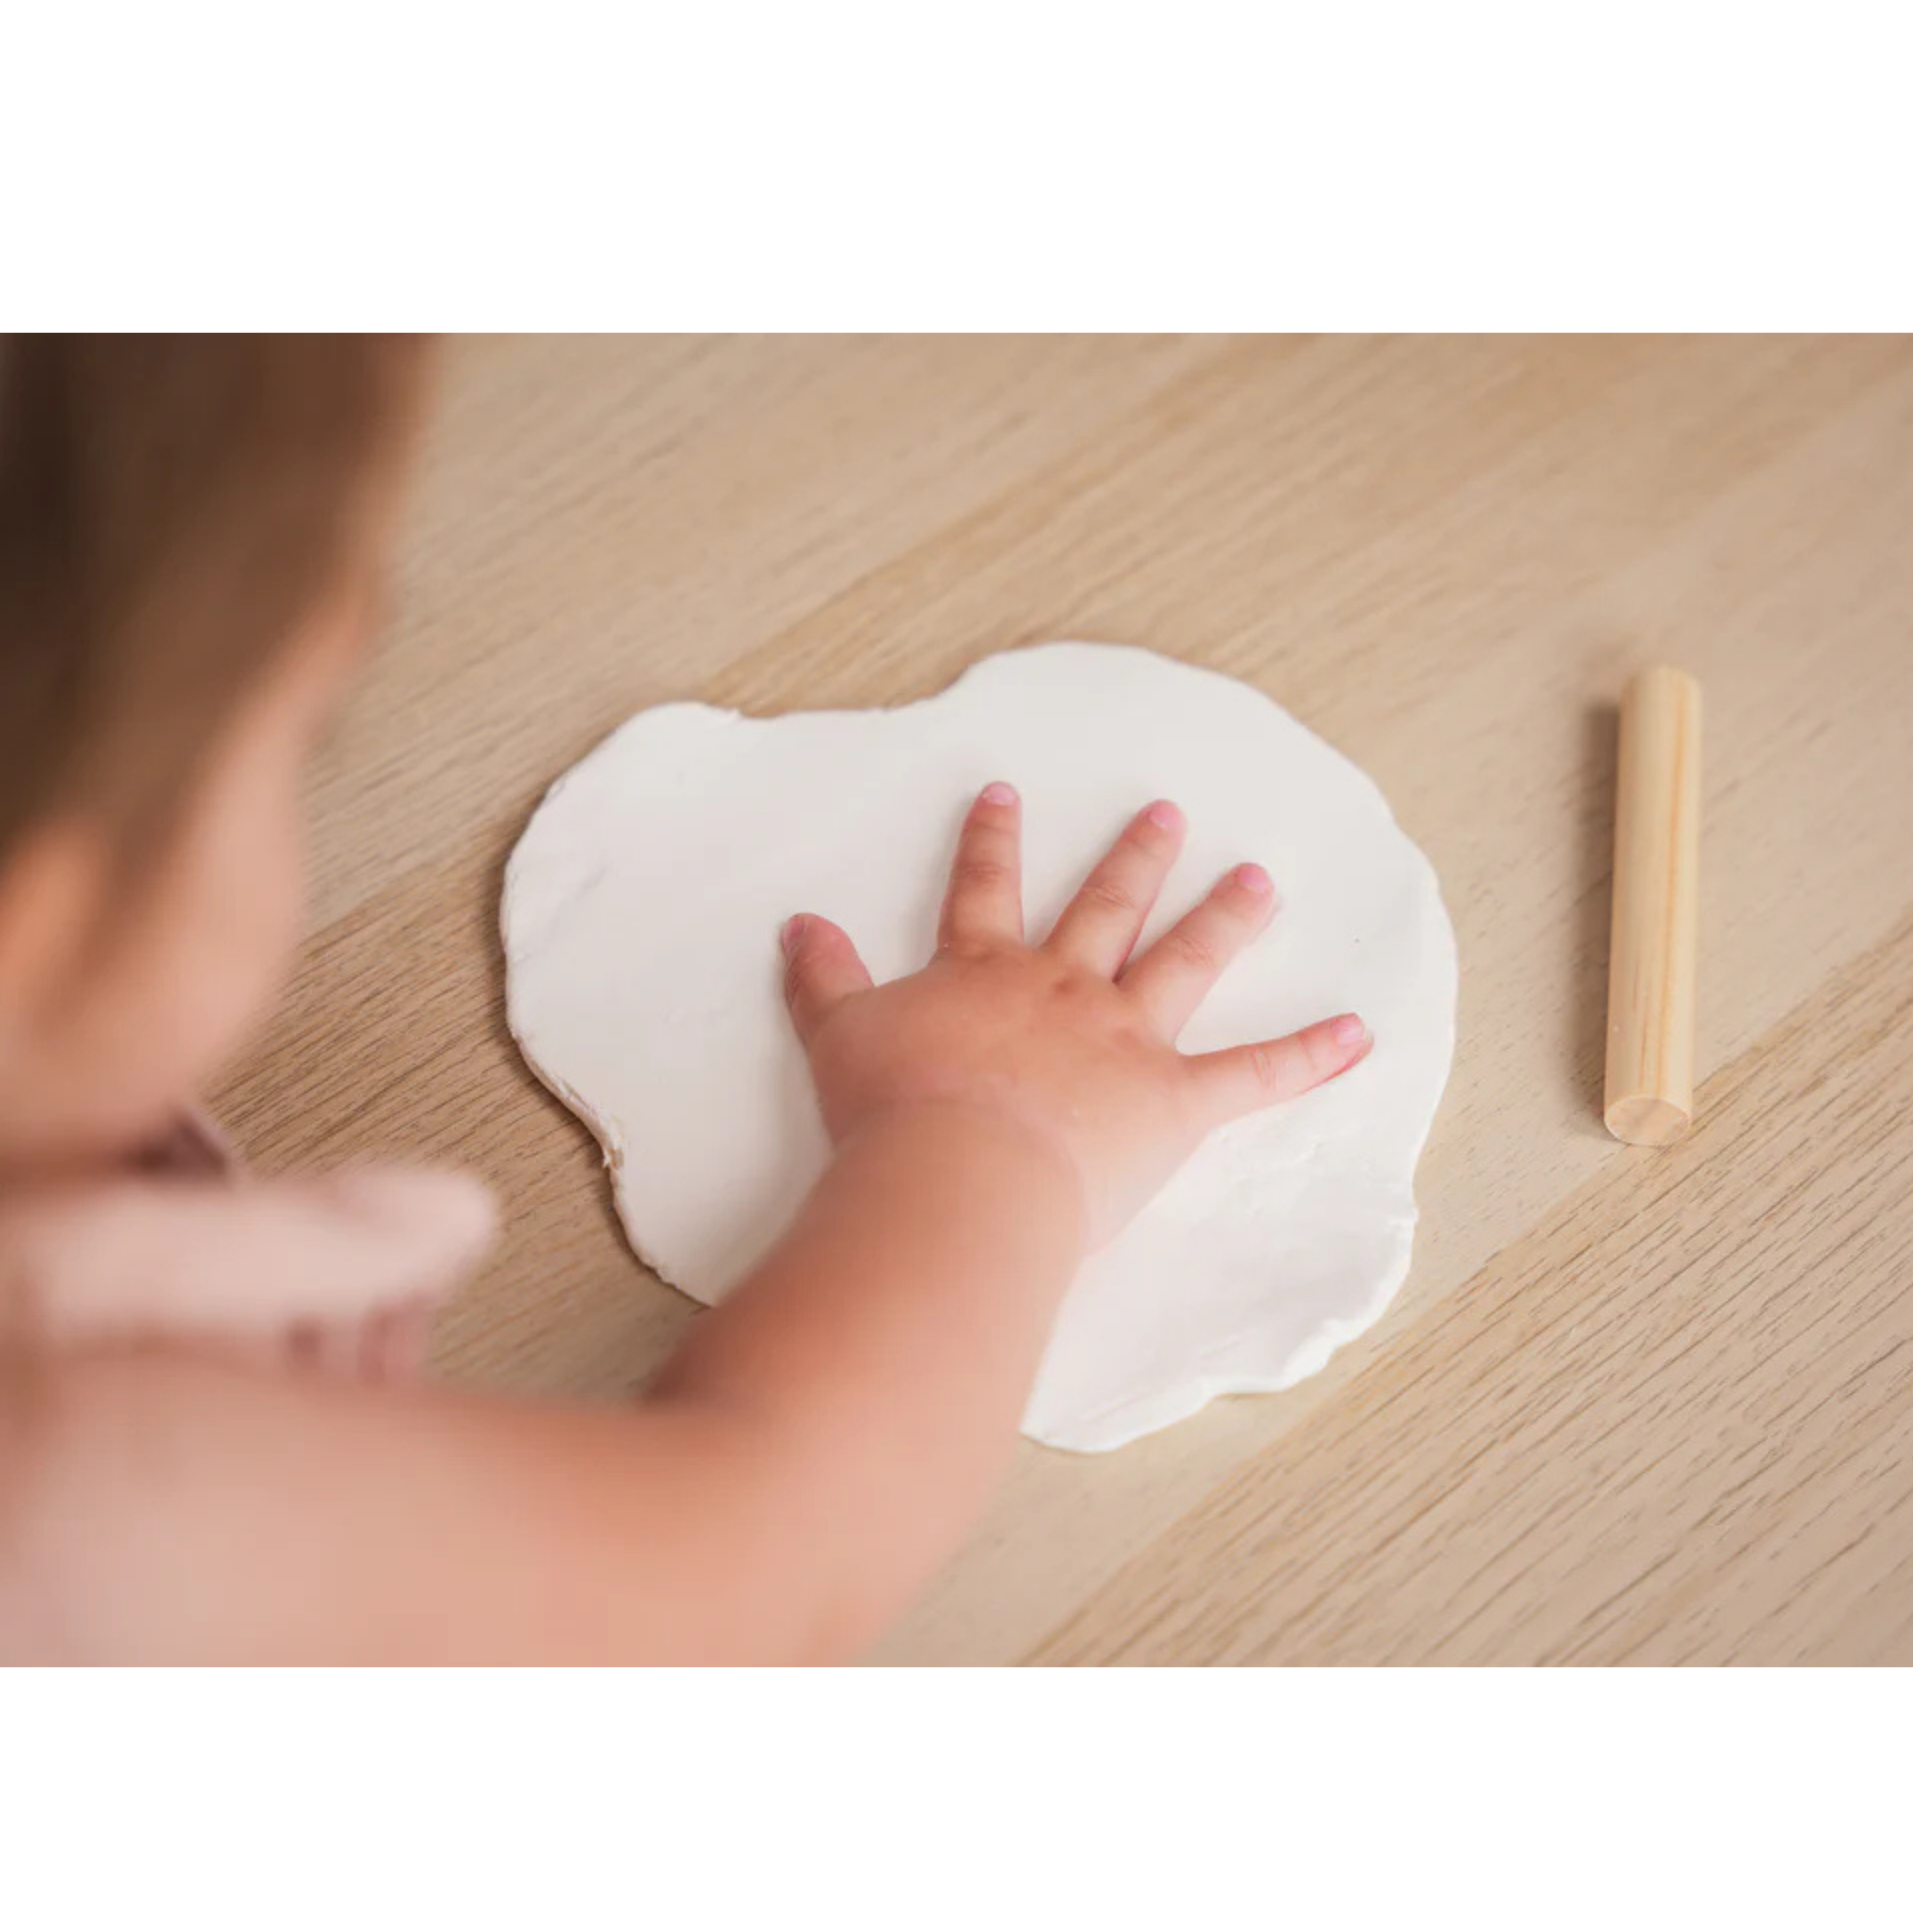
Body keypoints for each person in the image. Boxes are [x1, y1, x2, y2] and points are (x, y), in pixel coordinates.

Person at [0, 333, 1372, 1666]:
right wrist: (994, 1133)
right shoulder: (91, 1502)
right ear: (43, 917)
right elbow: (765, 1558)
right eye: (301, 732)